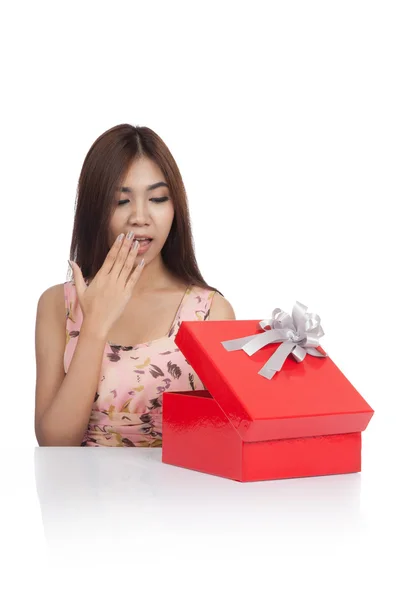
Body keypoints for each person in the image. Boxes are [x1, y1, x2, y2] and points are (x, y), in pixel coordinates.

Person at [34, 124, 236, 447]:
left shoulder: (211, 311)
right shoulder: (58, 305)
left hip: (180, 495)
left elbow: (225, 439)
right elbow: (55, 443)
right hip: (81, 496)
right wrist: (96, 326)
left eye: (157, 198)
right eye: (121, 201)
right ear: (95, 210)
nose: (140, 217)